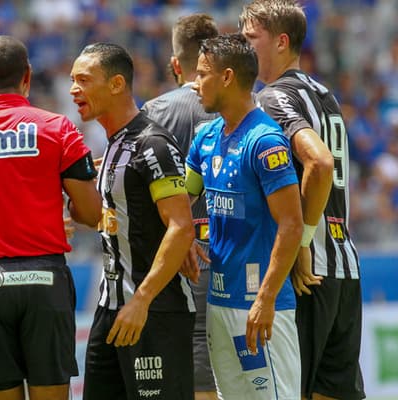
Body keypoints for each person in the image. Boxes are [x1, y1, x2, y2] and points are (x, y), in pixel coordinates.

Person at [0, 35, 102, 400]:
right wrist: (63, 207)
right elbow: (92, 214)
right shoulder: (59, 129)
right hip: (45, 278)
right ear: (27, 75)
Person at [239, 2, 365, 399]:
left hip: (309, 274)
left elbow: (321, 162)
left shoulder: (273, 98)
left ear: (280, 41)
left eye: (250, 38)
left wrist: (305, 238)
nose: (244, 48)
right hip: (346, 267)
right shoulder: (324, 92)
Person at [70, 42, 198, 400]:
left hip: (153, 311)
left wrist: (141, 301)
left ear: (117, 84)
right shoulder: (111, 146)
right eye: (72, 80)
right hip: (111, 309)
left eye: (83, 79)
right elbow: (110, 217)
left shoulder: (153, 143)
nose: (73, 89)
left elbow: (181, 226)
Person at [185, 33, 303, 399]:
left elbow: (292, 223)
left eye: (203, 73)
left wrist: (265, 299)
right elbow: (182, 199)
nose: (195, 82)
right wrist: (184, 234)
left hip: (259, 307)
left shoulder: (265, 140)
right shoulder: (205, 137)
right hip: (218, 304)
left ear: (227, 77)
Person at [141, 14, 219, 400]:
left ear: (176, 64)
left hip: (182, 261)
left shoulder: (153, 112)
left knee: (194, 376)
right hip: (241, 259)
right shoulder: (244, 107)